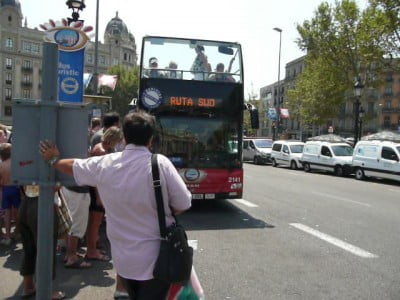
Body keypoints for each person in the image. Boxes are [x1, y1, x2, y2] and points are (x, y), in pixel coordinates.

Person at [39, 111, 192, 300]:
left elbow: (74, 166)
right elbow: (184, 203)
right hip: (157, 257)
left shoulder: (106, 163)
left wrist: (53, 159)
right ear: (151, 139)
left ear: (125, 137)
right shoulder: (160, 163)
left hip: (123, 260)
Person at [18, 185, 65, 299]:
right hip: (43, 202)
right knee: (46, 250)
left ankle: (28, 287)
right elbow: (56, 184)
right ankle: (47, 291)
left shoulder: (26, 166)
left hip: (26, 202)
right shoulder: (49, 165)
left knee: (28, 249)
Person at [0, 143, 20, 246]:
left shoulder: (1, 165)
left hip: (5, 189)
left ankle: (7, 236)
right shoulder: (15, 163)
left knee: (6, 214)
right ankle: (18, 231)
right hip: (15, 188)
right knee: (17, 212)